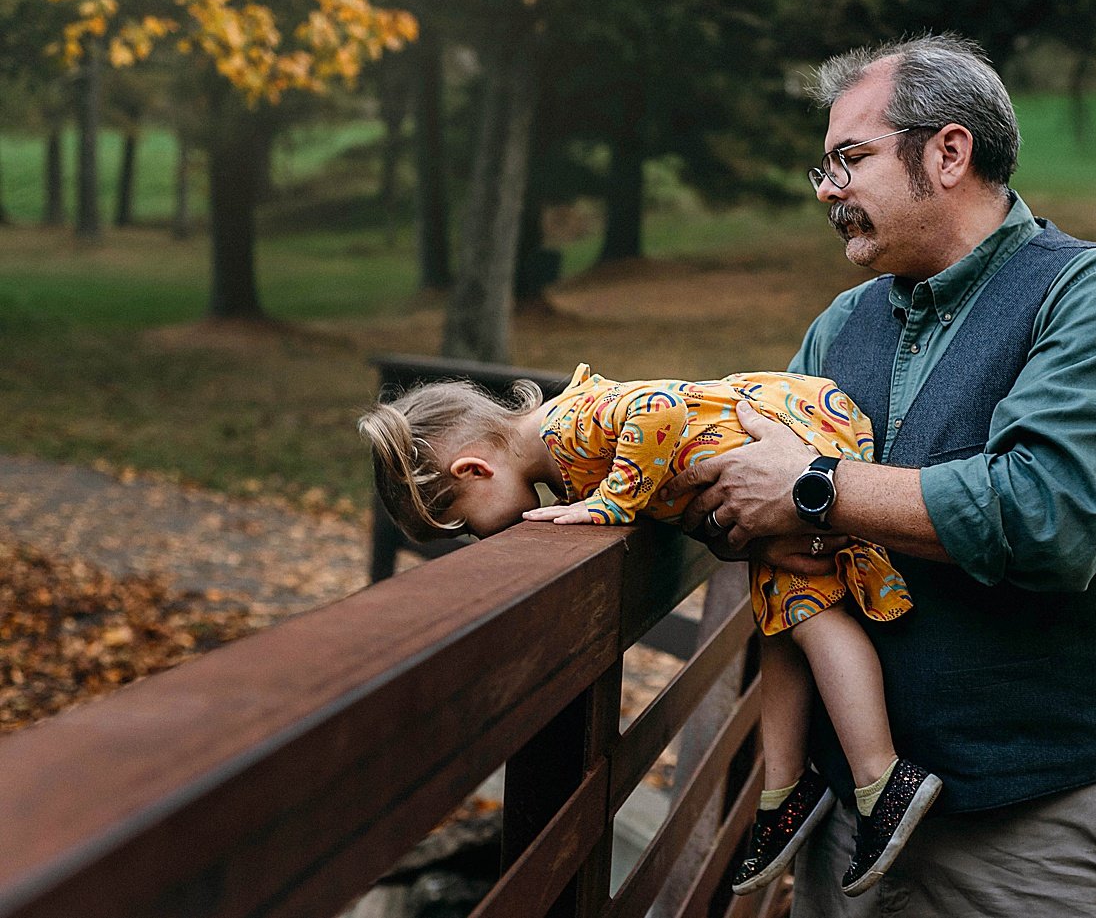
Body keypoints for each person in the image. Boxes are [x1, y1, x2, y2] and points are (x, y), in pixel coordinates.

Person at [656, 33, 1096, 916]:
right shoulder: (841, 324)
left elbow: (1047, 518)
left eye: (850, 159)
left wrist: (814, 489)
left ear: (949, 152)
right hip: (851, 826)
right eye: (822, 168)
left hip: (1040, 828)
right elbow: (750, 490)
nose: (828, 190)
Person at [357, 365, 944, 897]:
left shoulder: (564, 426)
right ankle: (786, 792)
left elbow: (659, 409)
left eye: (462, 520)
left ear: (474, 470)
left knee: (813, 620)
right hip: (785, 438)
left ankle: (883, 779)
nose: (477, 537)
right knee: (783, 621)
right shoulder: (560, 447)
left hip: (794, 439)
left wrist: (614, 502)